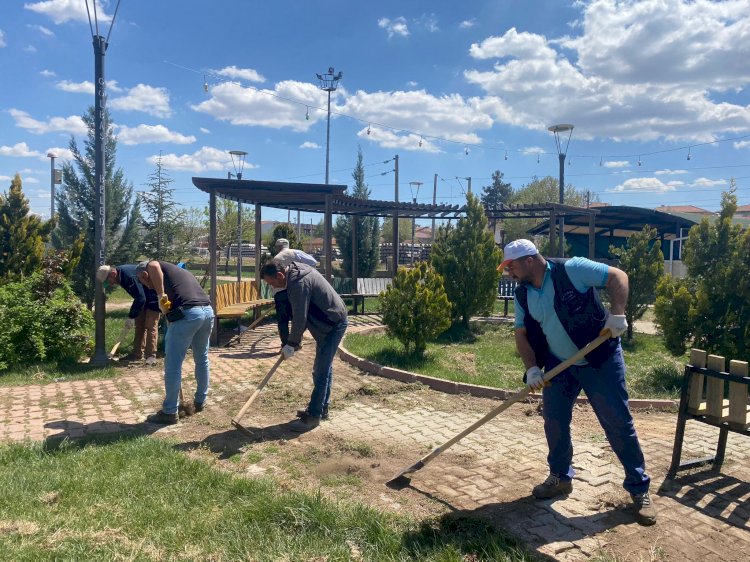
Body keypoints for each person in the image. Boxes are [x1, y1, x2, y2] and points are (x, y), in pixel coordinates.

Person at [499, 239, 656, 526]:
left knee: (617, 422)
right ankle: (560, 478)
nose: (509, 273)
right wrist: (532, 368)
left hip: (600, 358)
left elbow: (617, 276)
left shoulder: (572, 269)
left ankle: (639, 488)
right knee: (554, 420)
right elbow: (521, 333)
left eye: (511, 266)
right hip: (561, 364)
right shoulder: (523, 294)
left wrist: (618, 314)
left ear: (529, 261)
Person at [261, 260, 347, 433]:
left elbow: (300, 317)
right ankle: (321, 408)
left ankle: (314, 417)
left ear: (280, 275)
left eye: (272, 283)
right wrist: (291, 342)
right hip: (327, 322)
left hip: (332, 324)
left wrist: (292, 343)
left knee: (320, 371)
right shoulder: (295, 274)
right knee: (324, 368)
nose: (272, 287)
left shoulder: (298, 284)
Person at [135, 260, 214, 425]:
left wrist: (160, 295)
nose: (146, 286)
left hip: (188, 313)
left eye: (143, 281)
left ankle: (170, 411)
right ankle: (200, 401)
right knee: (202, 359)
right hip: (206, 311)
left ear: (143, 275)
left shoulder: (153, 266)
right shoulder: (175, 273)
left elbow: (153, 266)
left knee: (172, 364)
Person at [97, 264, 161, 364]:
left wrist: (131, 316)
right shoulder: (120, 276)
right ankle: (137, 354)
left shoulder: (128, 276)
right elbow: (139, 296)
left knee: (150, 325)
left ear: (113, 274)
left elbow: (140, 297)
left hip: (154, 296)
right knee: (139, 325)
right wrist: (133, 315)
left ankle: (151, 356)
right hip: (143, 298)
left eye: (109, 281)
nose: (111, 284)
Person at [270, 238, 318, 347]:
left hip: (279, 292)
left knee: (282, 320)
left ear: (277, 247)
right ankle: (296, 342)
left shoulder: (276, 259)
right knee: (296, 316)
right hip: (295, 289)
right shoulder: (295, 253)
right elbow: (313, 262)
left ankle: (285, 344)